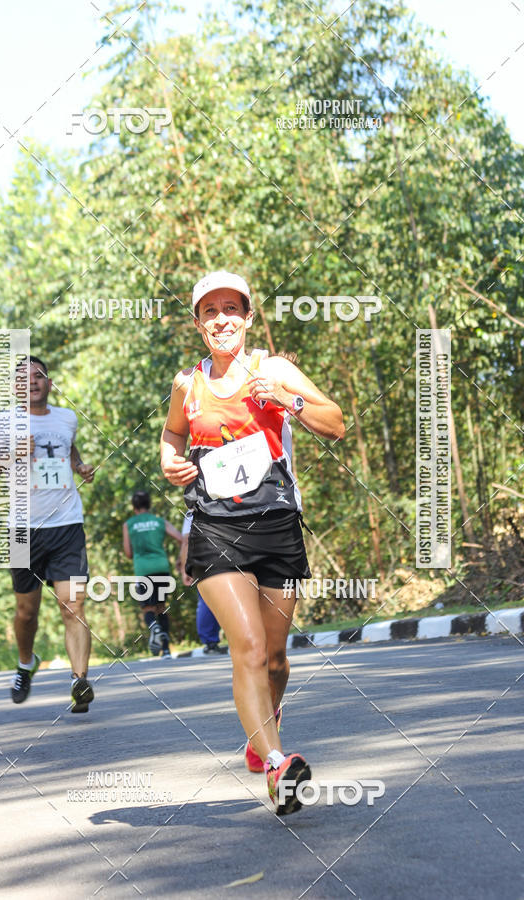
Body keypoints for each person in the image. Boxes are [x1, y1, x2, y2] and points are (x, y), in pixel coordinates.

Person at [160, 271, 345, 814]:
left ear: (245, 316)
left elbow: (334, 424)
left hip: (277, 524)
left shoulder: (273, 368)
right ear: (198, 324)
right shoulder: (185, 385)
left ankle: (262, 730)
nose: (221, 319)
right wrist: (168, 460)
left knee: (277, 659)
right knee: (247, 645)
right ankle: (277, 764)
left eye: (230, 309)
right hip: (215, 526)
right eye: (209, 312)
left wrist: (287, 401)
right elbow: (174, 434)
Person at [0, 355, 96, 712]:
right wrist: (11, 456)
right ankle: (26, 663)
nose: (33, 381)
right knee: (27, 612)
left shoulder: (67, 418)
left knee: (74, 605)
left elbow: (68, 449)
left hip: (67, 524)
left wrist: (79, 466)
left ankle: (79, 681)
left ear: (49, 383)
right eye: (24, 378)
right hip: (20, 530)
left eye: (39, 375)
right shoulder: (2, 424)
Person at [122, 490, 183, 658]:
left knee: (148, 608)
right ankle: (167, 650)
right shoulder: (159, 521)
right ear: (149, 505)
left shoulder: (128, 525)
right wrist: (180, 559)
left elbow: (128, 553)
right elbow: (181, 538)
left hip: (143, 571)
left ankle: (153, 627)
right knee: (161, 607)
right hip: (162, 568)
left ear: (134, 507)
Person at [179, 512, 227, 654]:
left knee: (207, 599)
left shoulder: (192, 511)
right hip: (229, 553)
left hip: (204, 558)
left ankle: (210, 642)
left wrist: (184, 569)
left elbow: (186, 541)